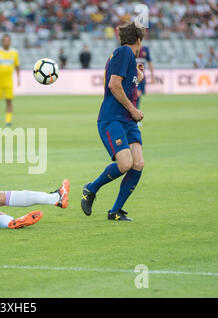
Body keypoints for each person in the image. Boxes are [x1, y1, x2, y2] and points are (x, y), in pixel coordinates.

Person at [81, 22, 145, 221]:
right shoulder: (125, 52)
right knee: (125, 163)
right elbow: (114, 85)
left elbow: (123, 85)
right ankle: (90, 189)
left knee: (138, 164)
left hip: (127, 121)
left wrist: (138, 77)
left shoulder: (124, 57)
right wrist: (134, 110)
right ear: (138, 40)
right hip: (113, 118)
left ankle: (115, 211)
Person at [0, 34, 20, 127]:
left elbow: (17, 66)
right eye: (5, 40)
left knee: (9, 100)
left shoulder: (14, 53)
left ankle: (8, 120)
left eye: (8, 40)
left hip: (9, 80)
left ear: (10, 42)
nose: (6, 42)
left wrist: (18, 79)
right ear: (2, 42)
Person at [135, 45, 155, 111]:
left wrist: (152, 76)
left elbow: (150, 62)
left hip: (142, 75)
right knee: (137, 92)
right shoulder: (132, 48)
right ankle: (135, 111)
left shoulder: (145, 49)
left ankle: (135, 111)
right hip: (133, 75)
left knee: (139, 94)